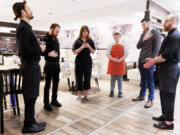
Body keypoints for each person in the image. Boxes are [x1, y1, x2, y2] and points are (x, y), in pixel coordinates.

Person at [13, 1, 46, 133]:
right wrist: (40, 49)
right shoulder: (24, 28)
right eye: (28, 8)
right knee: (30, 96)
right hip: (30, 67)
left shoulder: (25, 27)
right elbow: (25, 50)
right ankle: (28, 125)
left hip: (31, 67)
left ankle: (31, 121)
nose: (31, 10)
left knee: (32, 96)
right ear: (23, 12)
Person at [144, 13, 180, 130]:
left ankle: (169, 123)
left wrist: (153, 61)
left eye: (166, 21)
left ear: (173, 21)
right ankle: (165, 116)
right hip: (165, 70)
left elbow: (165, 56)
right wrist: (155, 61)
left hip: (170, 71)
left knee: (168, 96)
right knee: (163, 94)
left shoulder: (175, 36)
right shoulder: (170, 35)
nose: (163, 24)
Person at [132, 17, 161, 108]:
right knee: (143, 80)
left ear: (149, 23)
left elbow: (157, 50)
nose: (143, 27)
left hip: (149, 61)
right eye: (142, 25)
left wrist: (151, 61)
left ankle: (150, 99)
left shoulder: (156, 34)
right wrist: (143, 39)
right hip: (141, 60)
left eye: (144, 25)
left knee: (150, 80)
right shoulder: (143, 33)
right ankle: (141, 96)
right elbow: (138, 46)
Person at [72, 25, 96, 102]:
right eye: (84, 31)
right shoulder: (77, 41)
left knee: (87, 77)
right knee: (78, 77)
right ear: (81, 32)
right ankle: (79, 95)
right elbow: (74, 52)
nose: (85, 33)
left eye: (86, 31)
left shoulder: (90, 40)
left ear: (88, 32)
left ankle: (86, 95)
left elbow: (93, 52)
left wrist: (89, 46)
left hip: (88, 61)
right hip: (79, 61)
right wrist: (82, 47)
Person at [42, 24, 62, 112]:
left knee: (56, 84)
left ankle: (54, 100)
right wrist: (48, 54)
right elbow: (41, 52)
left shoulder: (56, 39)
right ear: (51, 29)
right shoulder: (44, 39)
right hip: (49, 65)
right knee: (47, 85)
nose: (58, 32)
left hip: (57, 65)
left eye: (58, 31)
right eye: (56, 30)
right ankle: (46, 103)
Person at [107, 32, 128, 98]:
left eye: (118, 37)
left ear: (120, 37)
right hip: (112, 63)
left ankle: (120, 92)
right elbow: (107, 54)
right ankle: (112, 91)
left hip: (120, 63)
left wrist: (121, 59)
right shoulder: (110, 45)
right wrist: (113, 59)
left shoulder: (123, 44)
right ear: (113, 37)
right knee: (112, 78)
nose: (116, 38)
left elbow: (126, 54)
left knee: (120, 78)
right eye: (115, 37)